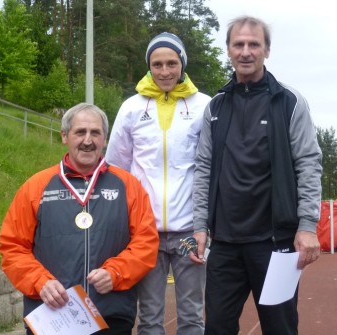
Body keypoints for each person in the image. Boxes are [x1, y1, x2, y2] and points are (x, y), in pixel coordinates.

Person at [191, 16, 323, 335]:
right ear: (228, 50)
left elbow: (308, 162)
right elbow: (204, 167)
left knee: (280, 328)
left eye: (254, 44)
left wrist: (307, 226)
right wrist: (199, 226)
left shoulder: (289, 102)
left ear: (267, 50)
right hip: (224, 245)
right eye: (239, 44)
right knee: (217, 328)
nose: (246, 51)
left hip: (276, 245)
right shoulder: (216, 107)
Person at [0, 103, 159, 335]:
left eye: (95, 133)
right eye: (79, 132)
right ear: (64, 136)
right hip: (52, 316)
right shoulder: (36, 186)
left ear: (105, 138)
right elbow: (12, 246)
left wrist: (116, 273)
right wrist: (39, 281)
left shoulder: (128, 186)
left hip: (110, 316)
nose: (87, 140)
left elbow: (146, 242)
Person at [105, 32, 210, 335]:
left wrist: (208, 221)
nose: (165, 71)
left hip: (190, 230)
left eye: (172, 63)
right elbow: (117, 167)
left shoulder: (204, 106)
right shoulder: (132, 108)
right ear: (148, 66)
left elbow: (210, 167)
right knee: (150, 316)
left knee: (191, 314)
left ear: (183, 63)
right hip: (145, 232)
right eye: (157, 64)